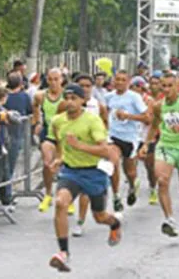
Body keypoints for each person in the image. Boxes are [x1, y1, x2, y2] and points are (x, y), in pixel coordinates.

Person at [48, 84, 121, 272]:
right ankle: (63, 253)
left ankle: (115, 223)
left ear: (83, 100)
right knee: (60, 203)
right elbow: (60, 144)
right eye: (67, 97)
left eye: (74, 98)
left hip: (93, 172)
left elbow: (105, 149)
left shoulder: (92, 120)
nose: (70, 102)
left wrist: (80, 146)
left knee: (99, 216)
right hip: (71, 172)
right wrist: (59, 158)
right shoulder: (57, 121)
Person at [140, 73, 179, 237]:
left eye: (169, 86)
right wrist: (146, 144)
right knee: (162, 180)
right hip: (165, 145)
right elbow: (154, 126)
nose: (166, 89)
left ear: (177, 86)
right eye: (163, 86)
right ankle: (169, 219)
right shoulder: (158, 105)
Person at [70, 74, 109, 237]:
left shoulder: (98, 106)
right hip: (72, 153)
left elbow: (106, 124)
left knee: (86, 191)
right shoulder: (68, 106)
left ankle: (80, 221)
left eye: (88, 86)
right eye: (81, 86)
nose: (85, 89)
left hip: (92, 153)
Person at [105, 70, 150, 211]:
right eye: (117, 79)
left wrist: (128, 116)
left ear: (128, 82)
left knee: (129, 171)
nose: (119, 82)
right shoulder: (108, 97)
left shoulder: (134, 97)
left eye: (123, 80)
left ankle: (132, 186)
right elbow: (105, 113)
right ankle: (116, 196)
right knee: (113, 163)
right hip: (113, 136)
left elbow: (147, 118)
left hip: (130, 138)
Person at [34, 68, 68, 213]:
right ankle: (48, 193)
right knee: (48, 163)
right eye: (50, 79)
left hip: (66, 136)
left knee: (66, 167)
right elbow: (35, 106)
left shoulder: (67, 96)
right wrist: (37, 122)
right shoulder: (40, 96)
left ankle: (68, 197)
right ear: (46, 80)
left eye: (56, 79)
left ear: (62, 79)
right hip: (49, 135)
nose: (53, 82)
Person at [130, 76, 159, 206]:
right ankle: (133, 184)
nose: (135, 89)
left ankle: (153, 188)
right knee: (131, 164)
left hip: (146, 137)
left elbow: (149, 120)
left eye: (138, 86)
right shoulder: (127, 99)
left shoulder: (149, 101)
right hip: (131, 136)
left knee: (150, 166)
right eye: (133, 86)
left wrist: (129, 116)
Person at [3, 72, 32, 200]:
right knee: (10, 165)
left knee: (2, 165)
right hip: (17, 134)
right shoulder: (24, 97)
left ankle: (2, 193)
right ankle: (7, 194)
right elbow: (30, 111)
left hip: (2, 134)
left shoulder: (4, 96)